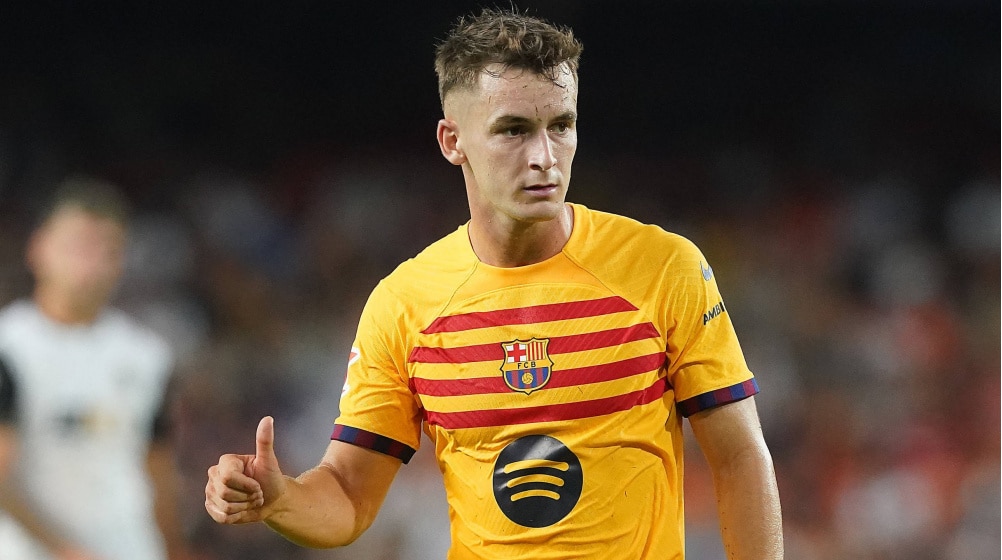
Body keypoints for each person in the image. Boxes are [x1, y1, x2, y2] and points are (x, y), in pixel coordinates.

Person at [205, 8, 783, 559]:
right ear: (452, 142)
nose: (545, 157)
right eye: (513, 130)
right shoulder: (404, 305)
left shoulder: (663, 267)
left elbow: (738, 457)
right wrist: (279, 500)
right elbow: (349, 495)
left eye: (561, 126)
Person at [0, 178, 190, 560]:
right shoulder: (10, 349)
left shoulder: (147, 355)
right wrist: (63, 549)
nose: (90, 261)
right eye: (78, 244)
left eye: (106, 248)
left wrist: (174, 548)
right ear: (38, 248)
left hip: (130, 547)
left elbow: (158, 469)